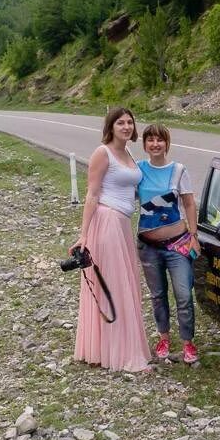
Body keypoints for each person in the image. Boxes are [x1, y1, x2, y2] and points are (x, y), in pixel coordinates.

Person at [71, 107, 151, 372]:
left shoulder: (127, 152)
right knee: (115, 286)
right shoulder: (102, 152)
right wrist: (84, 234)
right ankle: (122, 353)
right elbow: (92, 194)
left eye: (130, 122)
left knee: (124, 283)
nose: (126, 127)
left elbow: (132, 189)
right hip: (107, 222)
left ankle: (114, 346)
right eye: (121, 123)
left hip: (122, 224)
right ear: (111, 126)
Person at [135, 124, 201, 364]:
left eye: (159, 140)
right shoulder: (138, 170)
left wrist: (194, 234)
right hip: (148, 247)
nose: (155, 144)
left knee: (183, 294)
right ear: (144, 144)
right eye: (150, 140)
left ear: (167, 143)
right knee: (158, 295)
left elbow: (190, 204)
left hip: (177, 245)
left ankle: (188, 343)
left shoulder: (178, 171)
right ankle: (164, 337)